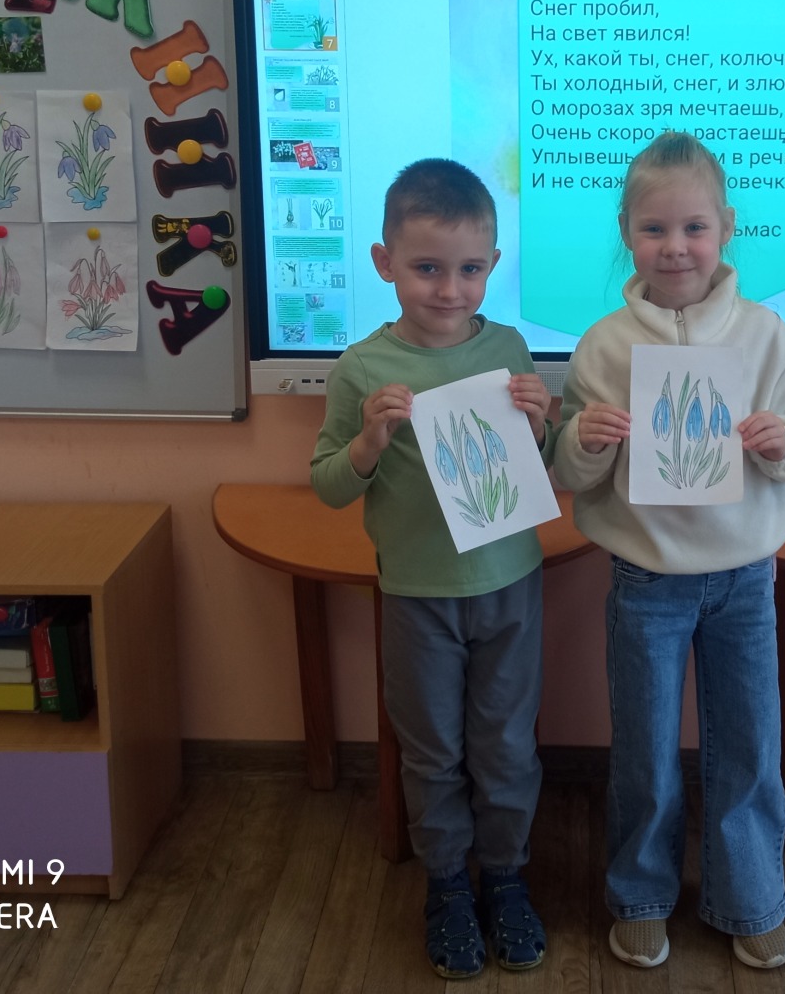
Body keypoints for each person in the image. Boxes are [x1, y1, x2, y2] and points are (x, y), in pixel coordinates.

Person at [552, 131, 785, 971]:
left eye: (694, 228)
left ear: (725, 228)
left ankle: (752, 899)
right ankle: (641, 897)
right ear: (627, 234)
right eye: (654, 229)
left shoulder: (766, 334)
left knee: (749, 746)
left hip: (745, 580)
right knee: (644, 750)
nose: (675, 247)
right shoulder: (604, 345)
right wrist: (585, 442)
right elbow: (570, 469)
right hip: (646, 581)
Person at [311, 158, 555, 980]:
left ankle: (507, 877)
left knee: (508, 746)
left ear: (493, 265)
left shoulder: (509, 346)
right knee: (432, 751)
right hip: (417, 596)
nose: (450, 290)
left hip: (512, 586)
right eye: (426, 269)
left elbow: (540, 461)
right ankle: (448, 884)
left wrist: (542, 424)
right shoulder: (362, 368)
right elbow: (328, 485)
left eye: (470, 269)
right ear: (384, 263)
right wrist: (369, 440)